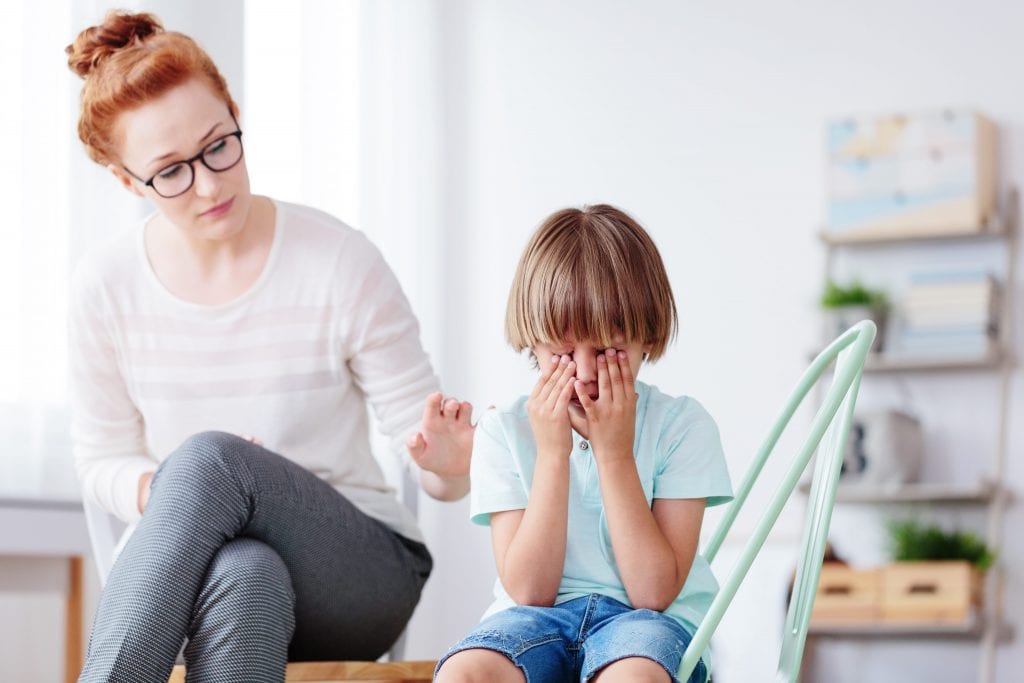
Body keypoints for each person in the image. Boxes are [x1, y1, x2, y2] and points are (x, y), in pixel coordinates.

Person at [65, 10, 473, 683]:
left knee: (207, 459)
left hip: (361, 572)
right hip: (207, 573)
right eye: (170, 171)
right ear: (128, 182)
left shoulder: (339, 259)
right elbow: (102, 458)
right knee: (242, 567)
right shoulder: (104, 286)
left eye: (219, 144)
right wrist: (170, 487)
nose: (209, 183)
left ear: (234, 110)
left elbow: (432, 462)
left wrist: (448, 466)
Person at [434, 205, 733, 683]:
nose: (587, 371)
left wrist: (615, 454)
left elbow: (653, 592)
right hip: (534, 619)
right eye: (563, 352)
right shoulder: (504, 431)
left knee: (634, 676)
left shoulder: (682, 425)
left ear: (646, 340)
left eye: (608, 350)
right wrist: (553, 454)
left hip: (647, 625)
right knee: (464, 672)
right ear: (533, 342)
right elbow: (530, 591)